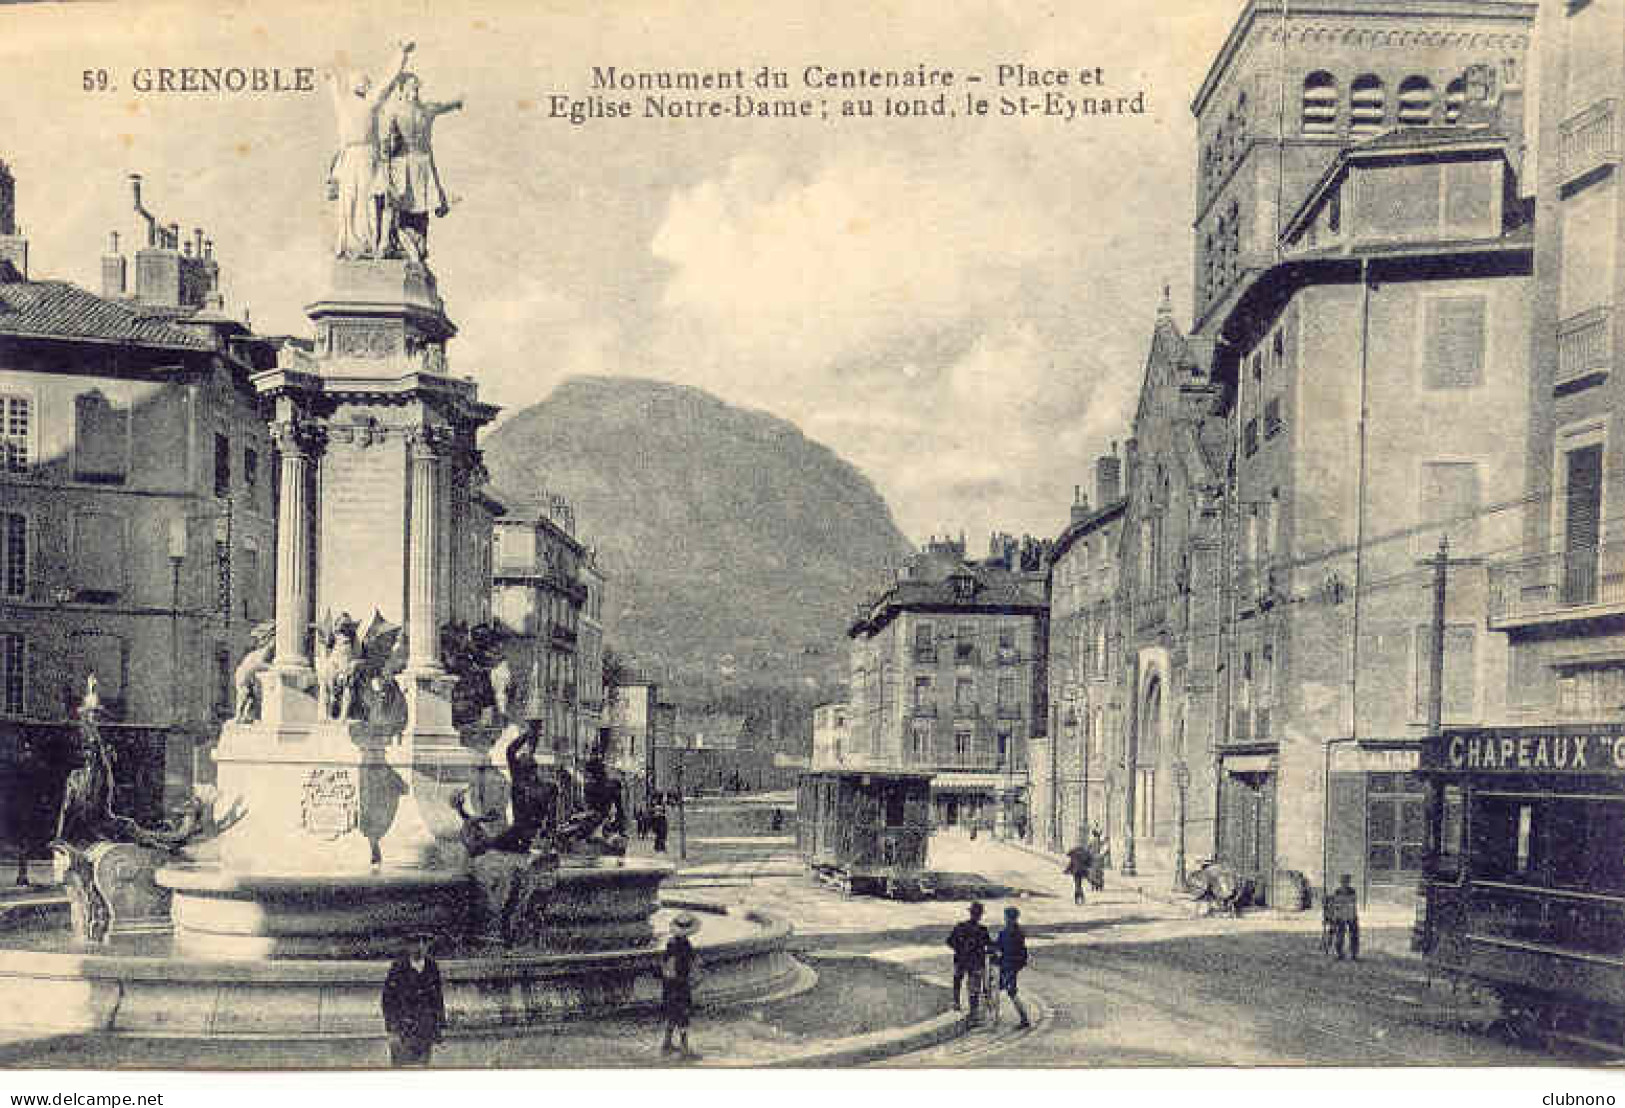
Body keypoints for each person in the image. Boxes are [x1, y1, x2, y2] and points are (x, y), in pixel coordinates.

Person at [326, 42, 414, 259]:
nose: (365, 86)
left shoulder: (369, 103)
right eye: (363, 83)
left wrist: (401, 55)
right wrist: (331, 79)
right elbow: (336, 88)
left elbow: (388, 81)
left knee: (365, 200)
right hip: (350, 157)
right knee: (349, 201)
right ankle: (349, 244)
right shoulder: (345, 104)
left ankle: (367, 243)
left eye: (364, 83)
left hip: (366, 154)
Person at [379, 71, 463, 263]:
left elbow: (444, 106)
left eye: (417, 86)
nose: (415, 90)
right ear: (402, 90)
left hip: (423, 165)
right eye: (411, 86)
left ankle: (418, 249)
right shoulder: (394, 112)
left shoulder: (426, 109)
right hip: (402, 165)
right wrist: (386, 170)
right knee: (401, 208)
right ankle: (401, 247)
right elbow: (386, 145)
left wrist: (457, 103)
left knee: (422, 208)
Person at [381, 933, 445, 1066]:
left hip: (425, 1030)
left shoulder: (432, 967)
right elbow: (387, 1001)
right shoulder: (398, 967)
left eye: (424, 942)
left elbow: (438, 999)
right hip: (404, 1030)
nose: (420, 946)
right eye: (415, 942)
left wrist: (439, 1028)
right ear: (408, 946)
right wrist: (392, 1030)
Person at [660, 911, 702, 1059]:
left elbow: (665, 964)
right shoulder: (682, 944)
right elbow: (674, 965)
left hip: (670, 985)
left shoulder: (672, 942)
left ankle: (667, 1044)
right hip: (679, 984)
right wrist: (685, 980)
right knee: (683, 1015)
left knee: (672, 1015)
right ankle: (684, 1048)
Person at [946, 901, 993, 1021]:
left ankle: (957, 1003)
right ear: (980, 915)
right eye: (978, 914)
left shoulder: (960, 926)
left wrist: (959, 949)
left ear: (971, 913)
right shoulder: (982, 930)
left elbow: (949, 941)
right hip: (975, 962)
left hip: (961, 960)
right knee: (973, 987)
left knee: (958, 980)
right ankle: (973, 1012)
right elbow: (990, 945)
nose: (977, 916)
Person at [993, 906, 1032, 1029]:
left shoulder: (1006, 933)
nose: (1005, 919)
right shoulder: (1019, 932)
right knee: (1001, 989)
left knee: (1010, 991)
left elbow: (998, 946)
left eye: (1006, 917)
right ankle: (996, 1015)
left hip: (1008, 966)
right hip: (1012, 966)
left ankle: (1024, 1019)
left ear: (1009, 918)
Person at [1327, 874, 1360, 961]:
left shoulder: (1352, 891)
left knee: (1353, 935)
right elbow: (1335, 905)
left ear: (1349, 882)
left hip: (1351, 916)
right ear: (1341, 882)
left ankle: (1354, 954)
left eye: (1346, 882)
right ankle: (1340, 954)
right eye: (1343, 882)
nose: (1344, 883)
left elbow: (1353, 904)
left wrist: (1353, 915)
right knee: (1339, 936)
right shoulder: (1337, 891)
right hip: (1340, 916)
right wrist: (1335, 916)